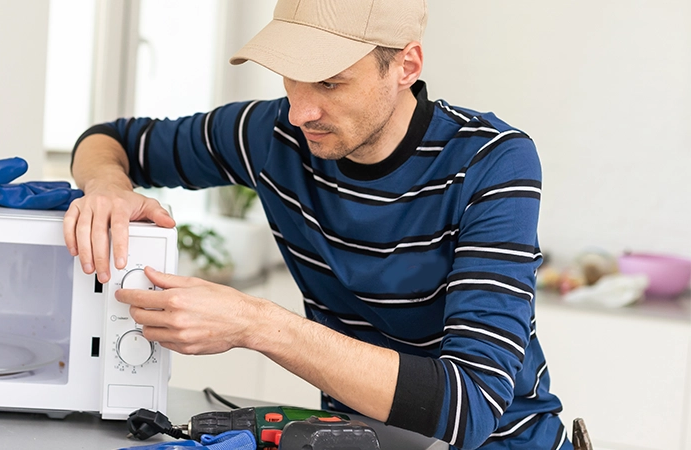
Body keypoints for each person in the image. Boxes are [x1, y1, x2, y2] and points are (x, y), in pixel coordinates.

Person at [64, 1, 570, 448]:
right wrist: (107, 186)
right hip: (359, 439)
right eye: (290, 77)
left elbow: (471, 405)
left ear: (405, 65)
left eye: (330, 81)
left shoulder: (491, 160)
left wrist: (256, 324)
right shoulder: (272, 136)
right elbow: (109, 141)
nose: (302, 111)